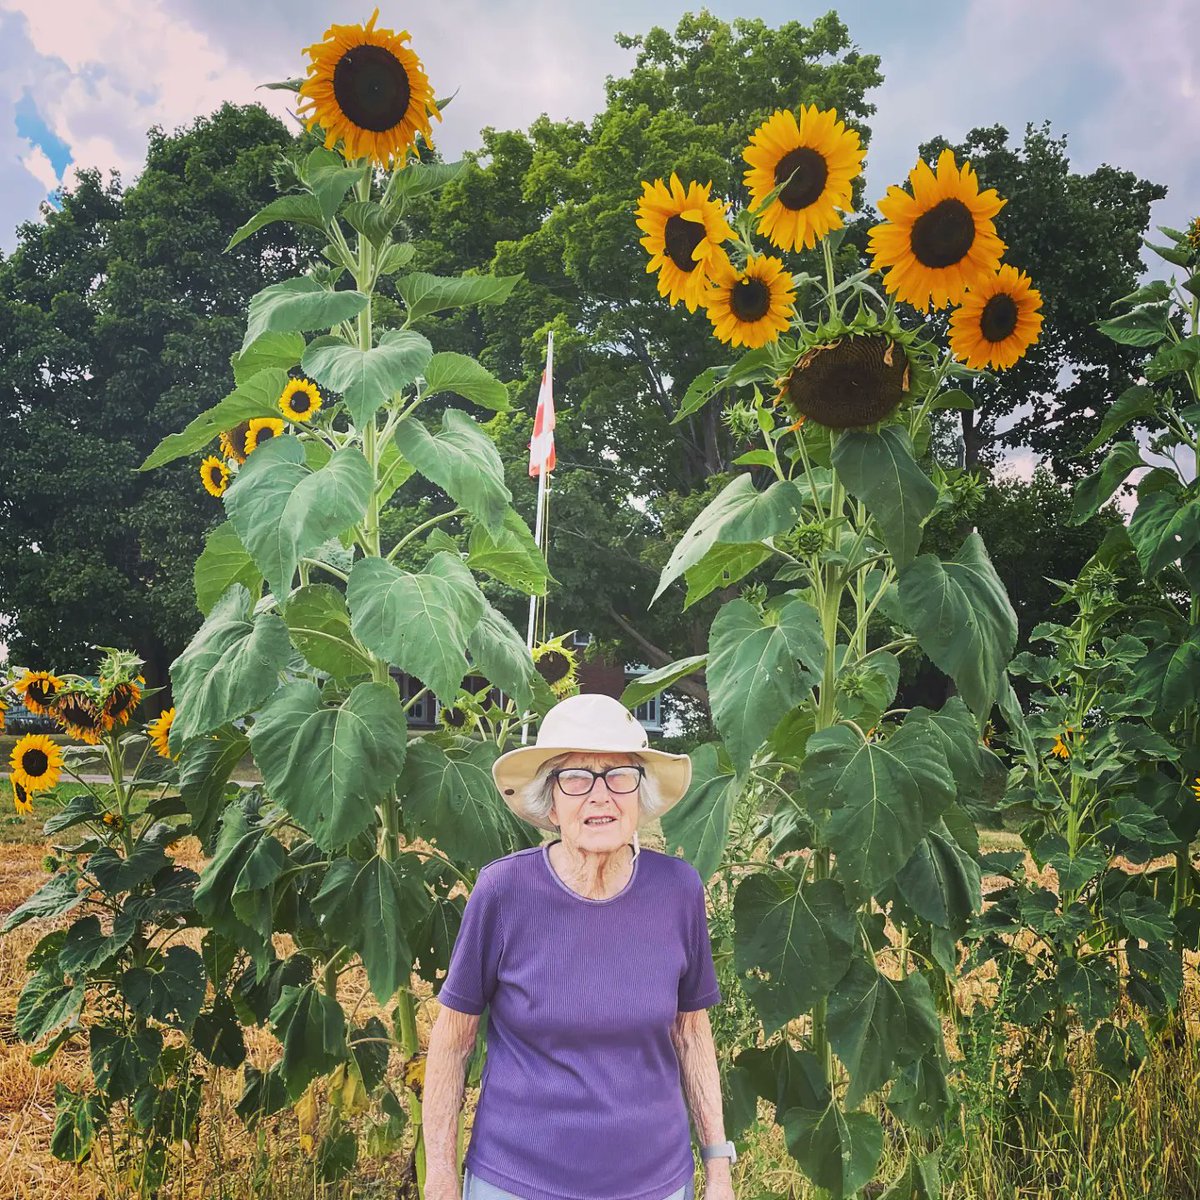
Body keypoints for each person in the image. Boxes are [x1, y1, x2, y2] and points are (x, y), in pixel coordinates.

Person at [423, 692, 737, 1200]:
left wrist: (718, 1167)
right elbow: (453, 1040)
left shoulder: (678, 890)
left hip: (654, 1184)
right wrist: (440, 1175)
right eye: (575, 777)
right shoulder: (504, 892)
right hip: (514, 1182)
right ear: (551, 801)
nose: (600, 796)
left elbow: (693, 1034)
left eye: (619, 775)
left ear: (639, 794)